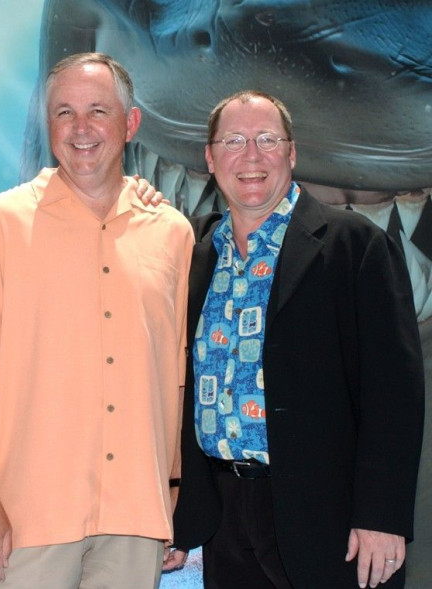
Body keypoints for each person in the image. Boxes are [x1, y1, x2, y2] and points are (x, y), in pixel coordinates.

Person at [0, 52, 193, 588]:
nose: (81, 128)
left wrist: (171, 494)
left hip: (135, 518)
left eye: (98, 111)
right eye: (64, 113)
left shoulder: (174, 233)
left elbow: (175, 376)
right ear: (46, 122)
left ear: (130, 124)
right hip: (27, 520)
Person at [167, 90, 425, 588]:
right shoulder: (197, 252)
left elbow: (394, 394)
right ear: (209, 157)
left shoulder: (357, 246)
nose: (251, 156)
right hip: (224, 520)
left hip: (332, 521)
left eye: (267, 139)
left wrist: (383, 517)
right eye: (234, 141)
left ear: (292, 152)